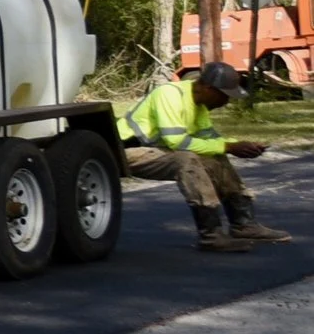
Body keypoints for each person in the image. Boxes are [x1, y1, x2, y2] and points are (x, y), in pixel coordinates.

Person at [117, 61, 292, 252]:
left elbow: (210, 139)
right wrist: (229, 146)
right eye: (224, 96)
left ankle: (243, 224)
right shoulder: (169, 94)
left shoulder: (198, 104)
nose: (226, 102)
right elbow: (177, 142)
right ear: (208, 89)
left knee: (216, 156)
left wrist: (240, 145)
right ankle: (211, 235)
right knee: (185, 159)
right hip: (124, 153)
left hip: (153, 151)